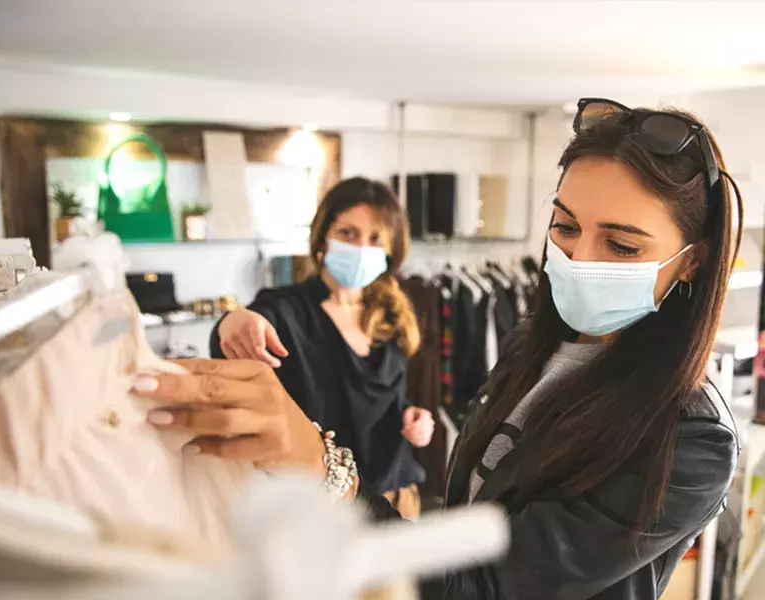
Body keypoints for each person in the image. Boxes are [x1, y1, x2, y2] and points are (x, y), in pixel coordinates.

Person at [136, 99, 741, 599]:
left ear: (693, 260)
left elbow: (479, 586)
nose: (579, 259)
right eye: (564, 227)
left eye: (623, 247)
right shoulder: (533, 343)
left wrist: (324, 467)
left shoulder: (690, 439)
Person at [207, 177, 435, 497]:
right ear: (323, 237)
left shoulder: (391, 315)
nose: (360, 248)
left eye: (375, 238)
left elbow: (389, 401)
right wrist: (233, 321)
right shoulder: (287, 310)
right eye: (348, 233)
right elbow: (238, 334)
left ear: (390, 250)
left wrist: (413, 415)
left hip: (394, 493)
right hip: (323, 503)